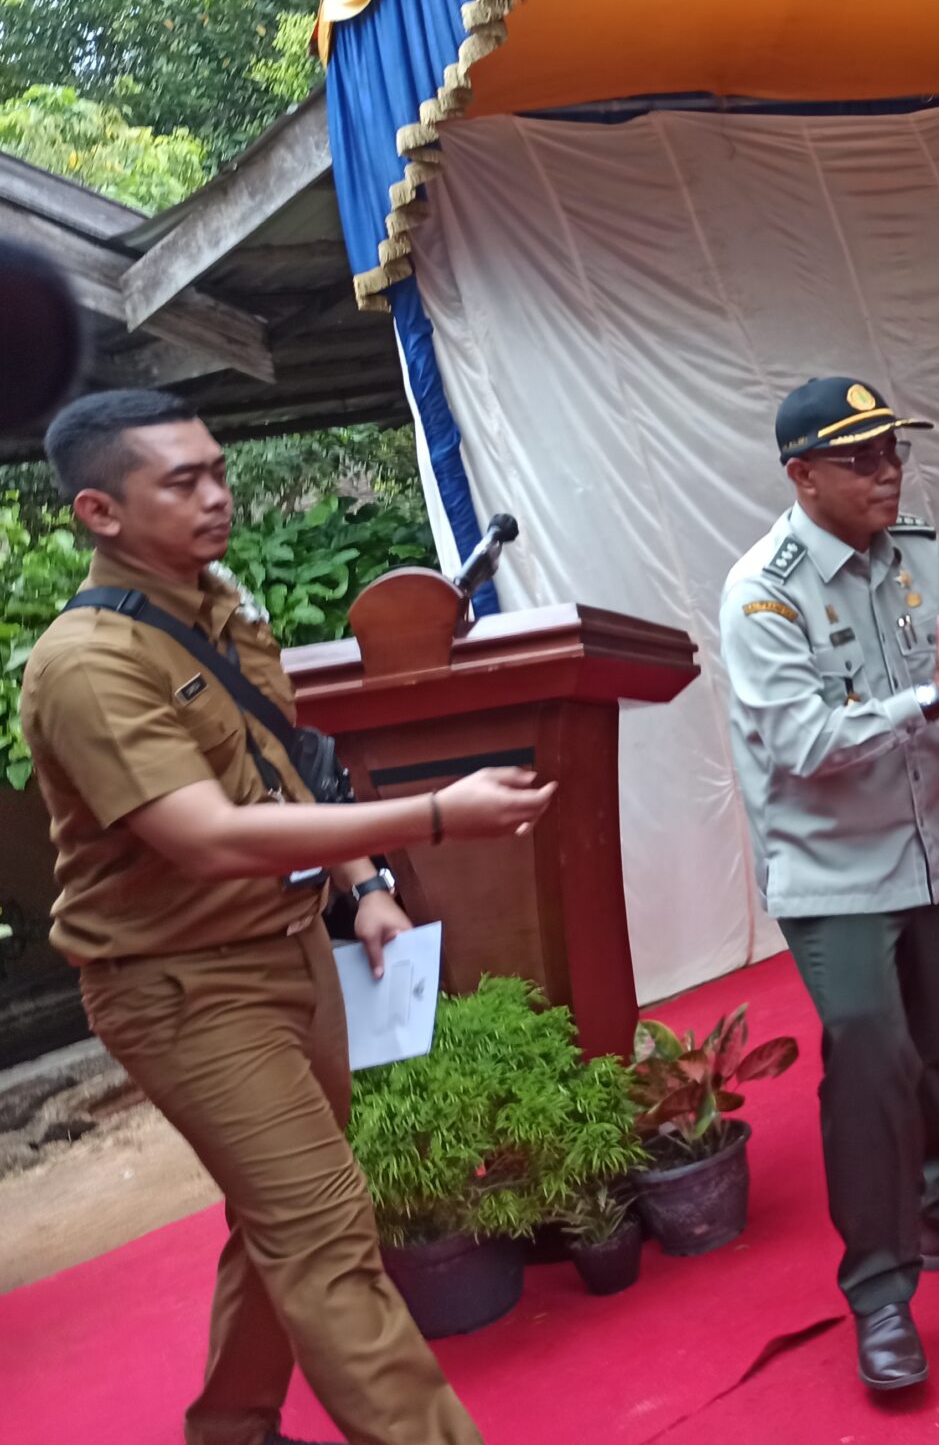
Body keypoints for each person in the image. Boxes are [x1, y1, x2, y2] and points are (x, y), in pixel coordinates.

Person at [19, 390, 556, 1445]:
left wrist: (364, 885)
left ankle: (233, 1426)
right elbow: (211, 835)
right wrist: (436, 815)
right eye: (182, 481)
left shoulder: (216, 606)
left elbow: (281, 768)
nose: (217, 495)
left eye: (218, 470)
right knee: (325, 1228)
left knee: (285, 1213)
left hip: (294, 948)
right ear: (99, 511)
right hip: (185, 985)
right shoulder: (87, 663)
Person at [719, 378, 939, 1396]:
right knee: (872, 1065)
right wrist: (933, 696)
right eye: (860, 459)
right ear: (802, 475)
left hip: (929, 854)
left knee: (938, 1051)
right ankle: (879, 1292)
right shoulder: (764, 591)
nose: (887, 473)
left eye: (892, 452)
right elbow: (802, 744)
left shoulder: (918, 554)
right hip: (835, 878)